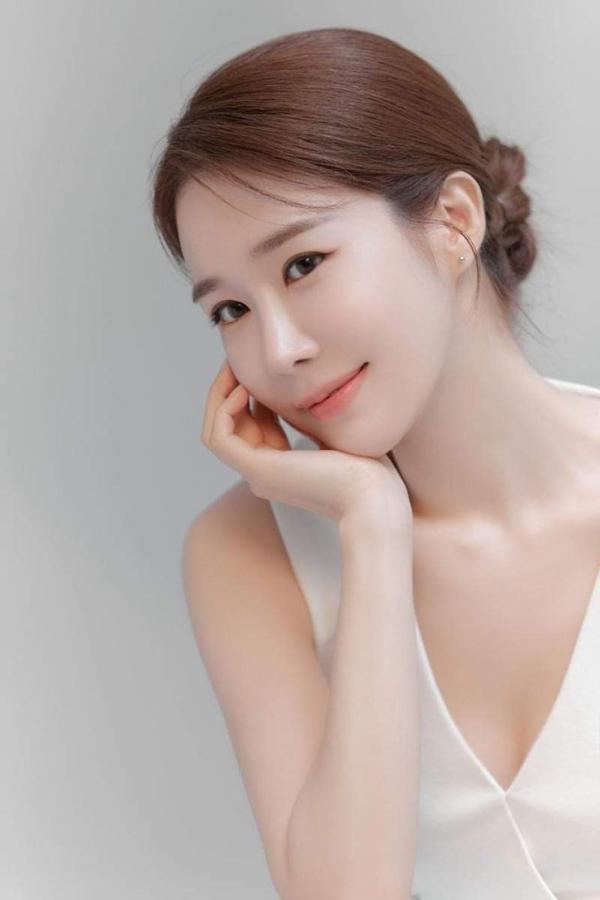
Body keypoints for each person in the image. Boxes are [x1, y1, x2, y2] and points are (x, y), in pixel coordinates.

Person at [150, 26, 600, 900]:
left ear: (454, 222)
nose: (278, 350)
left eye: (304, 263)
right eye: (231, 310)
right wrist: (372, 526)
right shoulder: (249, 554)